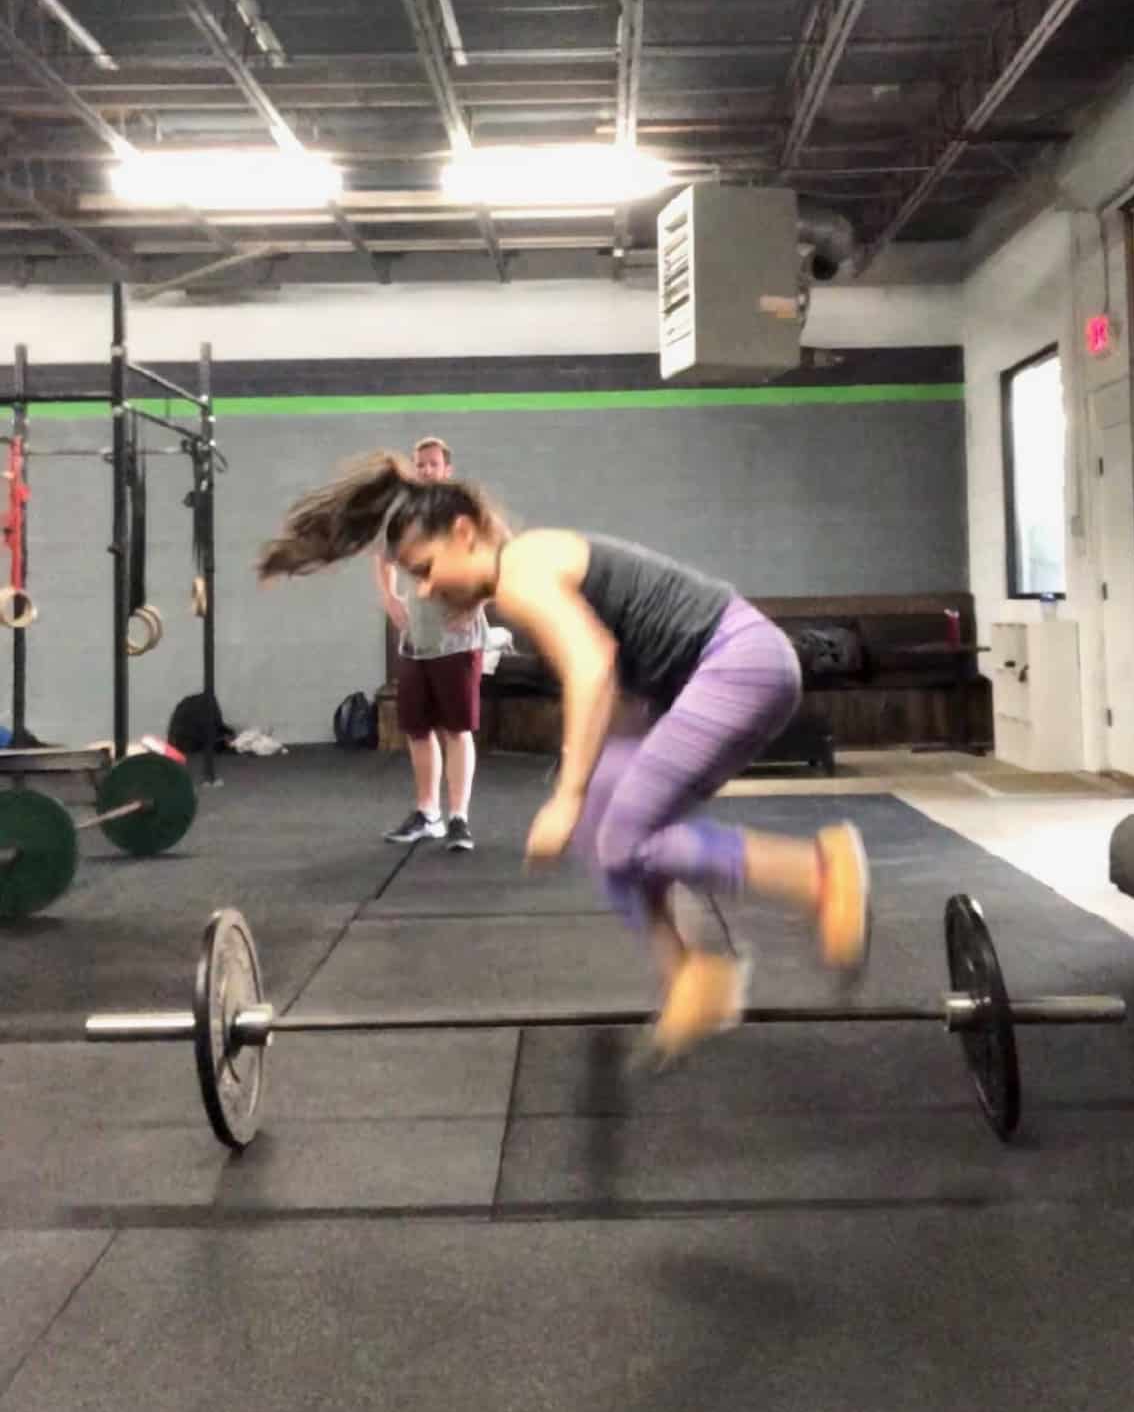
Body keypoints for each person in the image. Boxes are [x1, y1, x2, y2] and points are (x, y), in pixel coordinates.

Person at [259, 455, 871, 1063]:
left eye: (424, 569)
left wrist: (568, 795)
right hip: (711, 674)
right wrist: (603, 785)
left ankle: (817, 872)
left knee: (615, 832)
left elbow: (592, 665)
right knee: (610, 829)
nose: (424, 589)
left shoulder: (522, 571)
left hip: (741, 664)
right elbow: (623, 681)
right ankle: (693, 979)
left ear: (466, 533)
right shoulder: (525, 572)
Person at [370, 437, 485, 852]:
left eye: (433, 464)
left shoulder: (463, 514)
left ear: (446, 470)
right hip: (416, 640)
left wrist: (476, 601)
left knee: (456, 730)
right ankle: (427, 814)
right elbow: (382, 558)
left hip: (457, 641)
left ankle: (459, 818)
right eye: (420, 465)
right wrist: (389, 597)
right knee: (418, 730)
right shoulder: (403, 517)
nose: (426, 471)